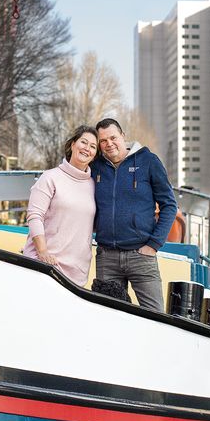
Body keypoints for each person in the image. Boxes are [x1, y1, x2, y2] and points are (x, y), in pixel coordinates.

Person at [91, 118, 177, 312]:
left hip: (141, 256)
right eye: (103, 141)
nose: (108, 144)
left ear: (123, 136)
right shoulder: (96, 167)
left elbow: (169, 204)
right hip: (107, 257)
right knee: (108, 318)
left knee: (155, 317)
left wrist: (154, 245)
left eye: (113, 137)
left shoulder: (148, 161)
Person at [23, 125, 98, 286]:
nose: (87, 148)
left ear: (95, 155)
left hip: (76, 274)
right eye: (83, 142)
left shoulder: (94, 185)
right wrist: (42, 252)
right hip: (45, 265)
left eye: (93, 146)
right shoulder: (50, 177)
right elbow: (34, 216)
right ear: (72, 144)